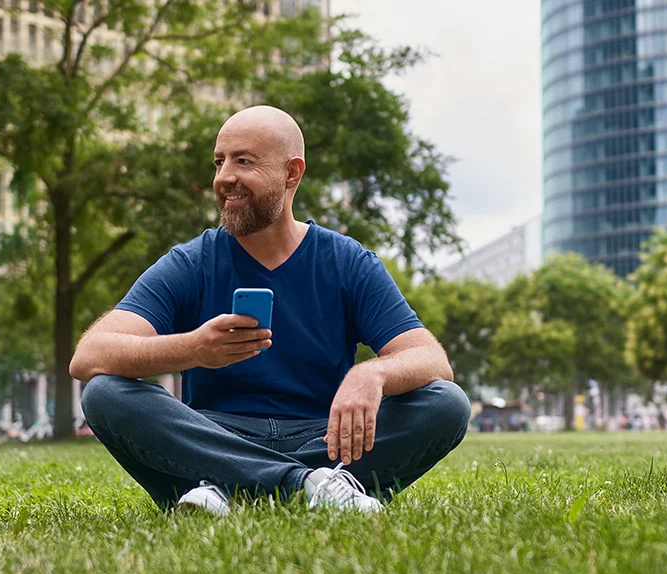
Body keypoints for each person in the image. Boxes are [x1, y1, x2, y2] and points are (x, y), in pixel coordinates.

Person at [70, 106, 469, 516]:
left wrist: (373, 372)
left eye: (243, 161)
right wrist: (192, 349)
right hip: (212, 439)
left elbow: (432, 359)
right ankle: (309, 485)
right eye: (219, 161)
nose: (224, 177)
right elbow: (89, 356)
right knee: (105, 392)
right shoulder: (191, 262)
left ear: (292, 174)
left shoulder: (347, 261)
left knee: (445, 403)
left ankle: (230, 489)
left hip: (325, 438)